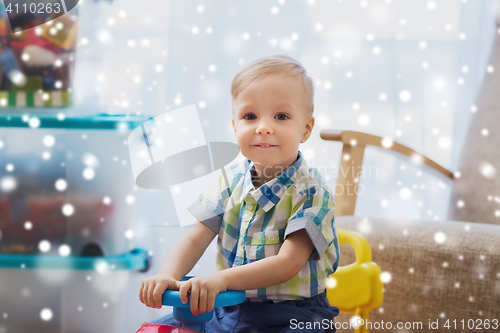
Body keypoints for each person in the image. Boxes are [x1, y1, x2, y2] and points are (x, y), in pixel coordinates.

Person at [140, 54, 340, 333]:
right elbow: (196, 238)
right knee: (155, 328)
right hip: (229, 305)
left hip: (294, 313)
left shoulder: (311, 191)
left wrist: (221, 279)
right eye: (250, 116)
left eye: (281, 116)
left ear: (305, 129)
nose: (263, 127)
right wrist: (168, 274)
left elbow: (288, 263)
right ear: (235, 126)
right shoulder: (229, 180)